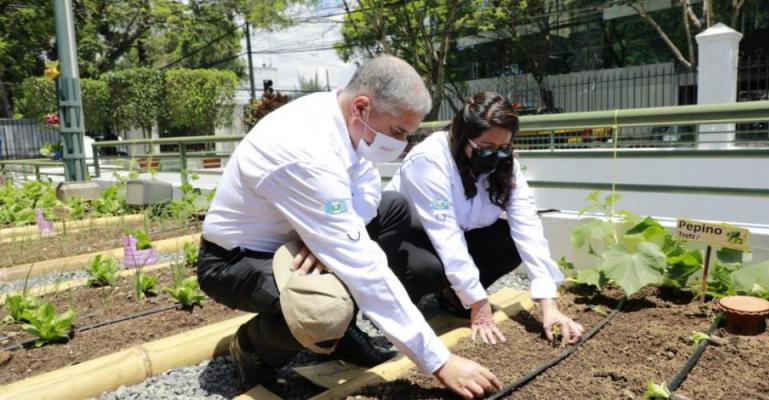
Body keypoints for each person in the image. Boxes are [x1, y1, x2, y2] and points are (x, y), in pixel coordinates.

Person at [198, 55, 501, 399]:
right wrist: (440, 361)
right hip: (238, 260)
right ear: (362, 106)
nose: (402, 143)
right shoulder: (305, 148)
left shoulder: (342, 118)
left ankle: (341, 336)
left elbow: (369, 187)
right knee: (327, 308)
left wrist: (330, 234)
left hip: (296, 240)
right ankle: (252, 349)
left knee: (393, 208)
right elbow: (365, 270)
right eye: (398, 131)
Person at [386, 91, 585, 346]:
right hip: (412, 239)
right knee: (428, 269)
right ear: (462, 137)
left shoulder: (504, 165)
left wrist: (549, 303)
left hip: (458, 234)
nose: (496, 155)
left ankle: (454, 301)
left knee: (507, 241)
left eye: (503, 148)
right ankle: (398, 315)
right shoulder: (429, 160)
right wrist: (479, 304)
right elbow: (446, 236)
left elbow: (527, 226)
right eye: (486, 148)